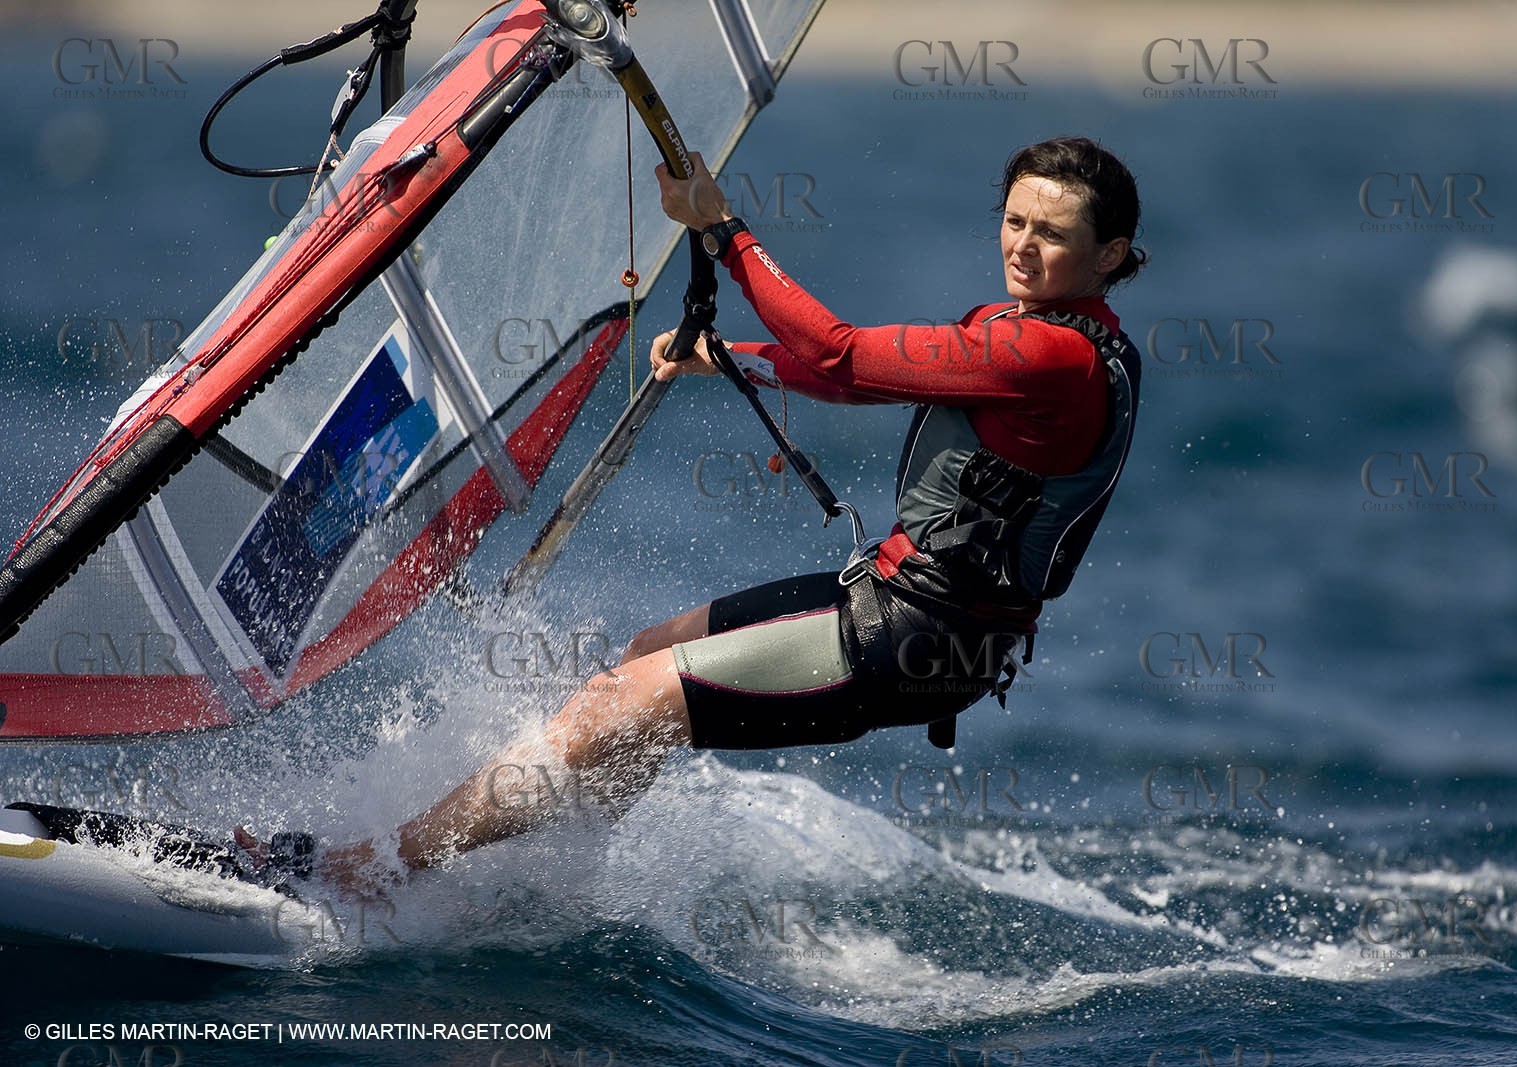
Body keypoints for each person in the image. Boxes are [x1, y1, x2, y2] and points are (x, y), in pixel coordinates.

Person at [307, 135, 1146, 889]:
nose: (1023, 247)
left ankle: (371, 868)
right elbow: (854, 376)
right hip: (890, 599)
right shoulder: (1031, 334)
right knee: (650, 653)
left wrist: (723, 232)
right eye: (1013, 222)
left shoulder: (1051, 357)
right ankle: (538, 876)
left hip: (912, 636)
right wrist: (728, 357)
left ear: (1108, 253)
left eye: (1053, 234)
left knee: (620, 702)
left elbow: (839, 349)